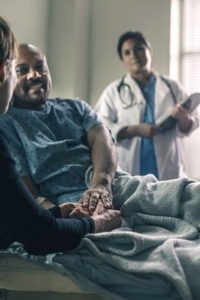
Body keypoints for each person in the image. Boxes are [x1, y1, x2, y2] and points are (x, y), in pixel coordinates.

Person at [0, 16, 121, 255]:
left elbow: (101, 138)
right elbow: (41, 234)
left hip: (111, 187)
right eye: (20, 69)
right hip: (74, 201)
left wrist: (61, 210)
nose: (34, 75)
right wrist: (95, 223)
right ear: (4, 71)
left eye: (40, 67)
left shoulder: (75, 107)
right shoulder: (7, 126)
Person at [95, 31, 200, 180]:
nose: (134, 55)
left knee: (169, 199)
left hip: (168, 171)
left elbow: (189, 126)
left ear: (149, 51)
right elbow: (99, 129)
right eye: (127, 53)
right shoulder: (113, 91)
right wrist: (135, 130)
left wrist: (183, 117)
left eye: (139, 48)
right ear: (123, 59)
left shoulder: (172, 87)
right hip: (130, 171)